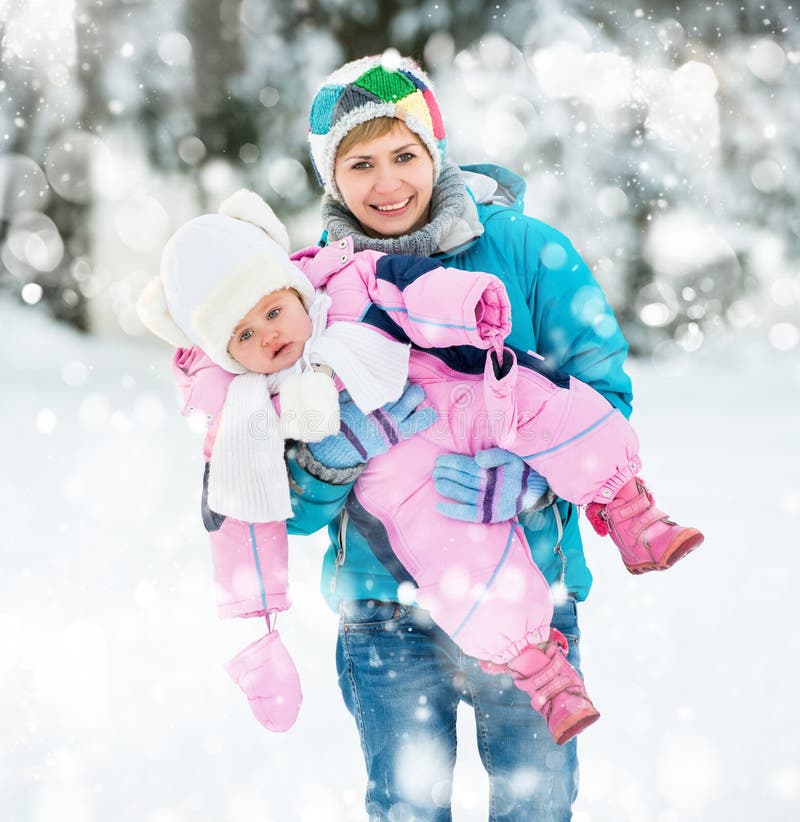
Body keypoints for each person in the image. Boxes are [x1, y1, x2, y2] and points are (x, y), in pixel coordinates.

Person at [281, 53, 702, 820]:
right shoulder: (303, 298)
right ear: (329, 177)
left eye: (404, 154)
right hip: (384, 617)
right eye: (360, 164)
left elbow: (603, 399)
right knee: (409, 809)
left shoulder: (527, 252)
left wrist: (530, 481)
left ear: (435, 151)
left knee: (536, 807)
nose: (387, 183)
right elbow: (285, 508)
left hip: (528, 591)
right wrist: (328, 458)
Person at [137, 189, 702, 751]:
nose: (270, 335)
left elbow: (409, 289)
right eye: (244, 335)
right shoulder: (247, 412)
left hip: (468, 395)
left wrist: (468, 308)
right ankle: (543, 673)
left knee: (554, 408)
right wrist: (260, 632)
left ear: (294, 288)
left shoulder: (348, 280)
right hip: (418, 490)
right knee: (469, 578)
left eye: (273, 311)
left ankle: (630, 509)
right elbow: (244, 511)